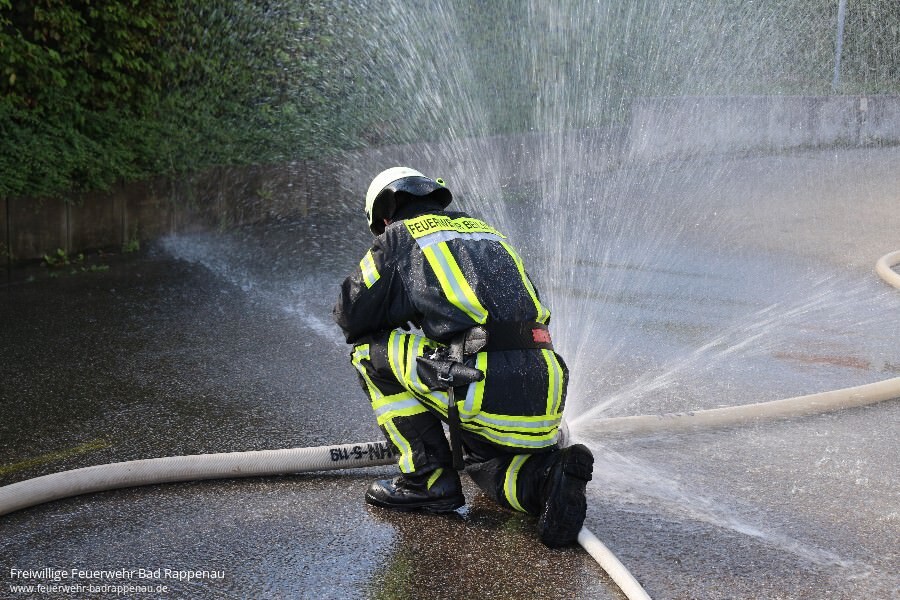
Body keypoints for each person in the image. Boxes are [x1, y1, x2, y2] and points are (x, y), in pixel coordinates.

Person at [333, 166, 593, 547]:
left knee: (367, 353)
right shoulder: (486, 232)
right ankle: (549, 479)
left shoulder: (398, 237)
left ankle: (426, 479)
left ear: (385, 215)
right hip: (547, 391)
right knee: (484, 466)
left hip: (483, 385)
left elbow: (349, 314)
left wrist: (396, 308)